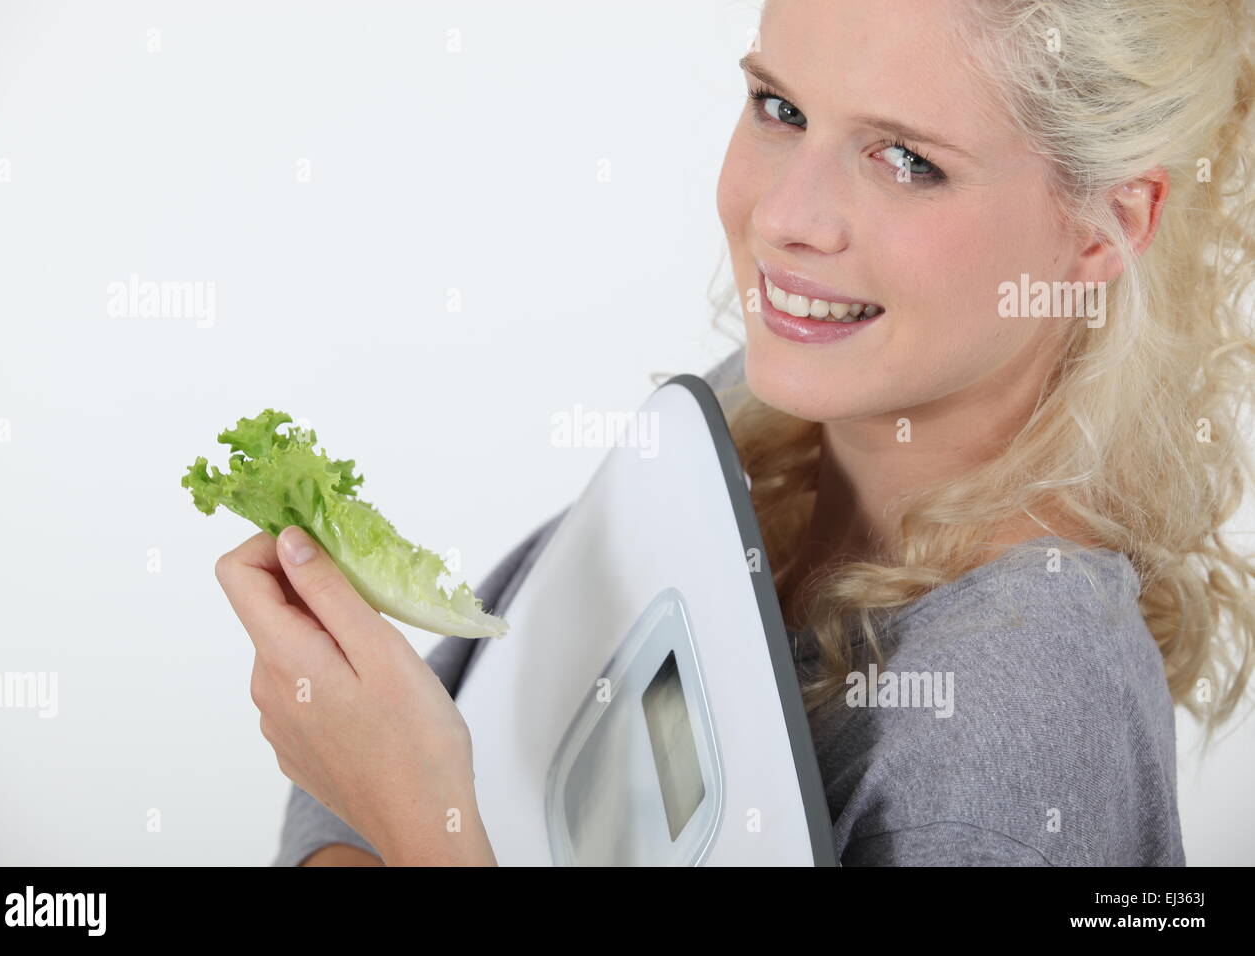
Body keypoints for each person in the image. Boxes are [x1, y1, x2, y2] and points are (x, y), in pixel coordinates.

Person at [241, 0, 1255, 866]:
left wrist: (424, 826)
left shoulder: (1016, 724)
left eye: (905, 159)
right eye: (780, 108)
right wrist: (386, 796)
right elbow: (476, 690)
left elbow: (413, 779)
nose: (784, 216)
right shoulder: (771, 409)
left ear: (1101, 229)